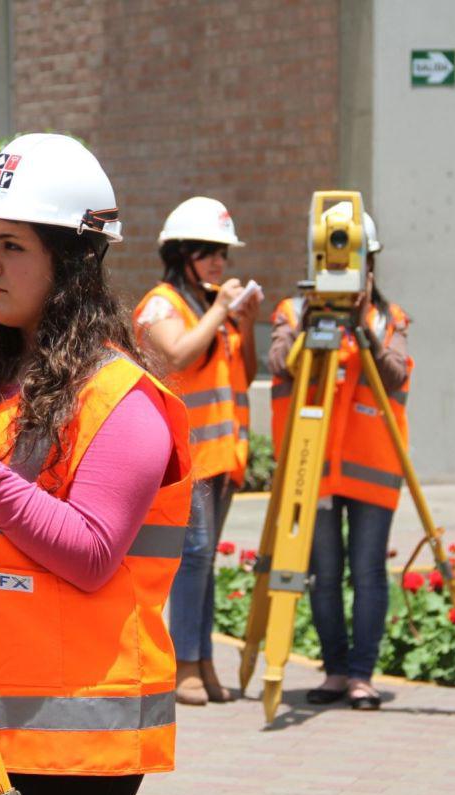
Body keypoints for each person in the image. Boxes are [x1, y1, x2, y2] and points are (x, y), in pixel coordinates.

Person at [0, 133, 193, 795]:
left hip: (65, 748)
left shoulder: (123, 399)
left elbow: (91, 554)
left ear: (72, 260)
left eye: (13, 245)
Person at [267, 203, 411, 711]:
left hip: (372, 468)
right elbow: (278, 362)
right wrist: (312, 322)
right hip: (314, 469)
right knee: (323, 575)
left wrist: (362, 330)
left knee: (368, 573)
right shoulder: (293, 312)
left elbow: (395, 374)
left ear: (371, 263)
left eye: (357, 259)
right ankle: (334, 672)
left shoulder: (387, 318)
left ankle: (362, 676)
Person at [132, 197, 260, 706]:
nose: (218, 262)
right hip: (185, 457)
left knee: (204, 561)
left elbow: (245, 372)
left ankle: (202, 661)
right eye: (207, 251)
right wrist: (222, 311)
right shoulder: (161, 304)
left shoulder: (210, 309)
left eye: (222, 253)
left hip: (221, 455)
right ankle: (183, 663)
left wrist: (242, 321)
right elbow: (178, 354)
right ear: (180, 253)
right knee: (194, 556)